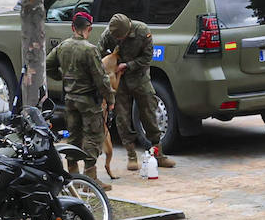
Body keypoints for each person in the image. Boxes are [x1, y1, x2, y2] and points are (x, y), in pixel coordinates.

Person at [100, 13, 177, 172]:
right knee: (122, 117)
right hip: (119, 80)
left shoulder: (142, 31)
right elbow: (99, 54)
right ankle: (131, 155)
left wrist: (128, 65)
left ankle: (158, 154)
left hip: (139, 77)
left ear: (129, 29)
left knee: (149, 111)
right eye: (117, 38)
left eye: (122, 37)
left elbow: (147, 58)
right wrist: (110, 66)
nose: (119, 40)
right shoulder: (109, 34)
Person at [45, 12, 113, 190]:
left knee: (74, 136)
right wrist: (110, 98)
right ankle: (90, 179)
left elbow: (48, 64)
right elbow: (101, 78)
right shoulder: (90, 50)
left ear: (72, 27)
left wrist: (62, 77)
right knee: (93, 137)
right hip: (88, 101)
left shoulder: (62, 47)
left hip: (70, 99)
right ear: (88, 29)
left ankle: (72, 176)